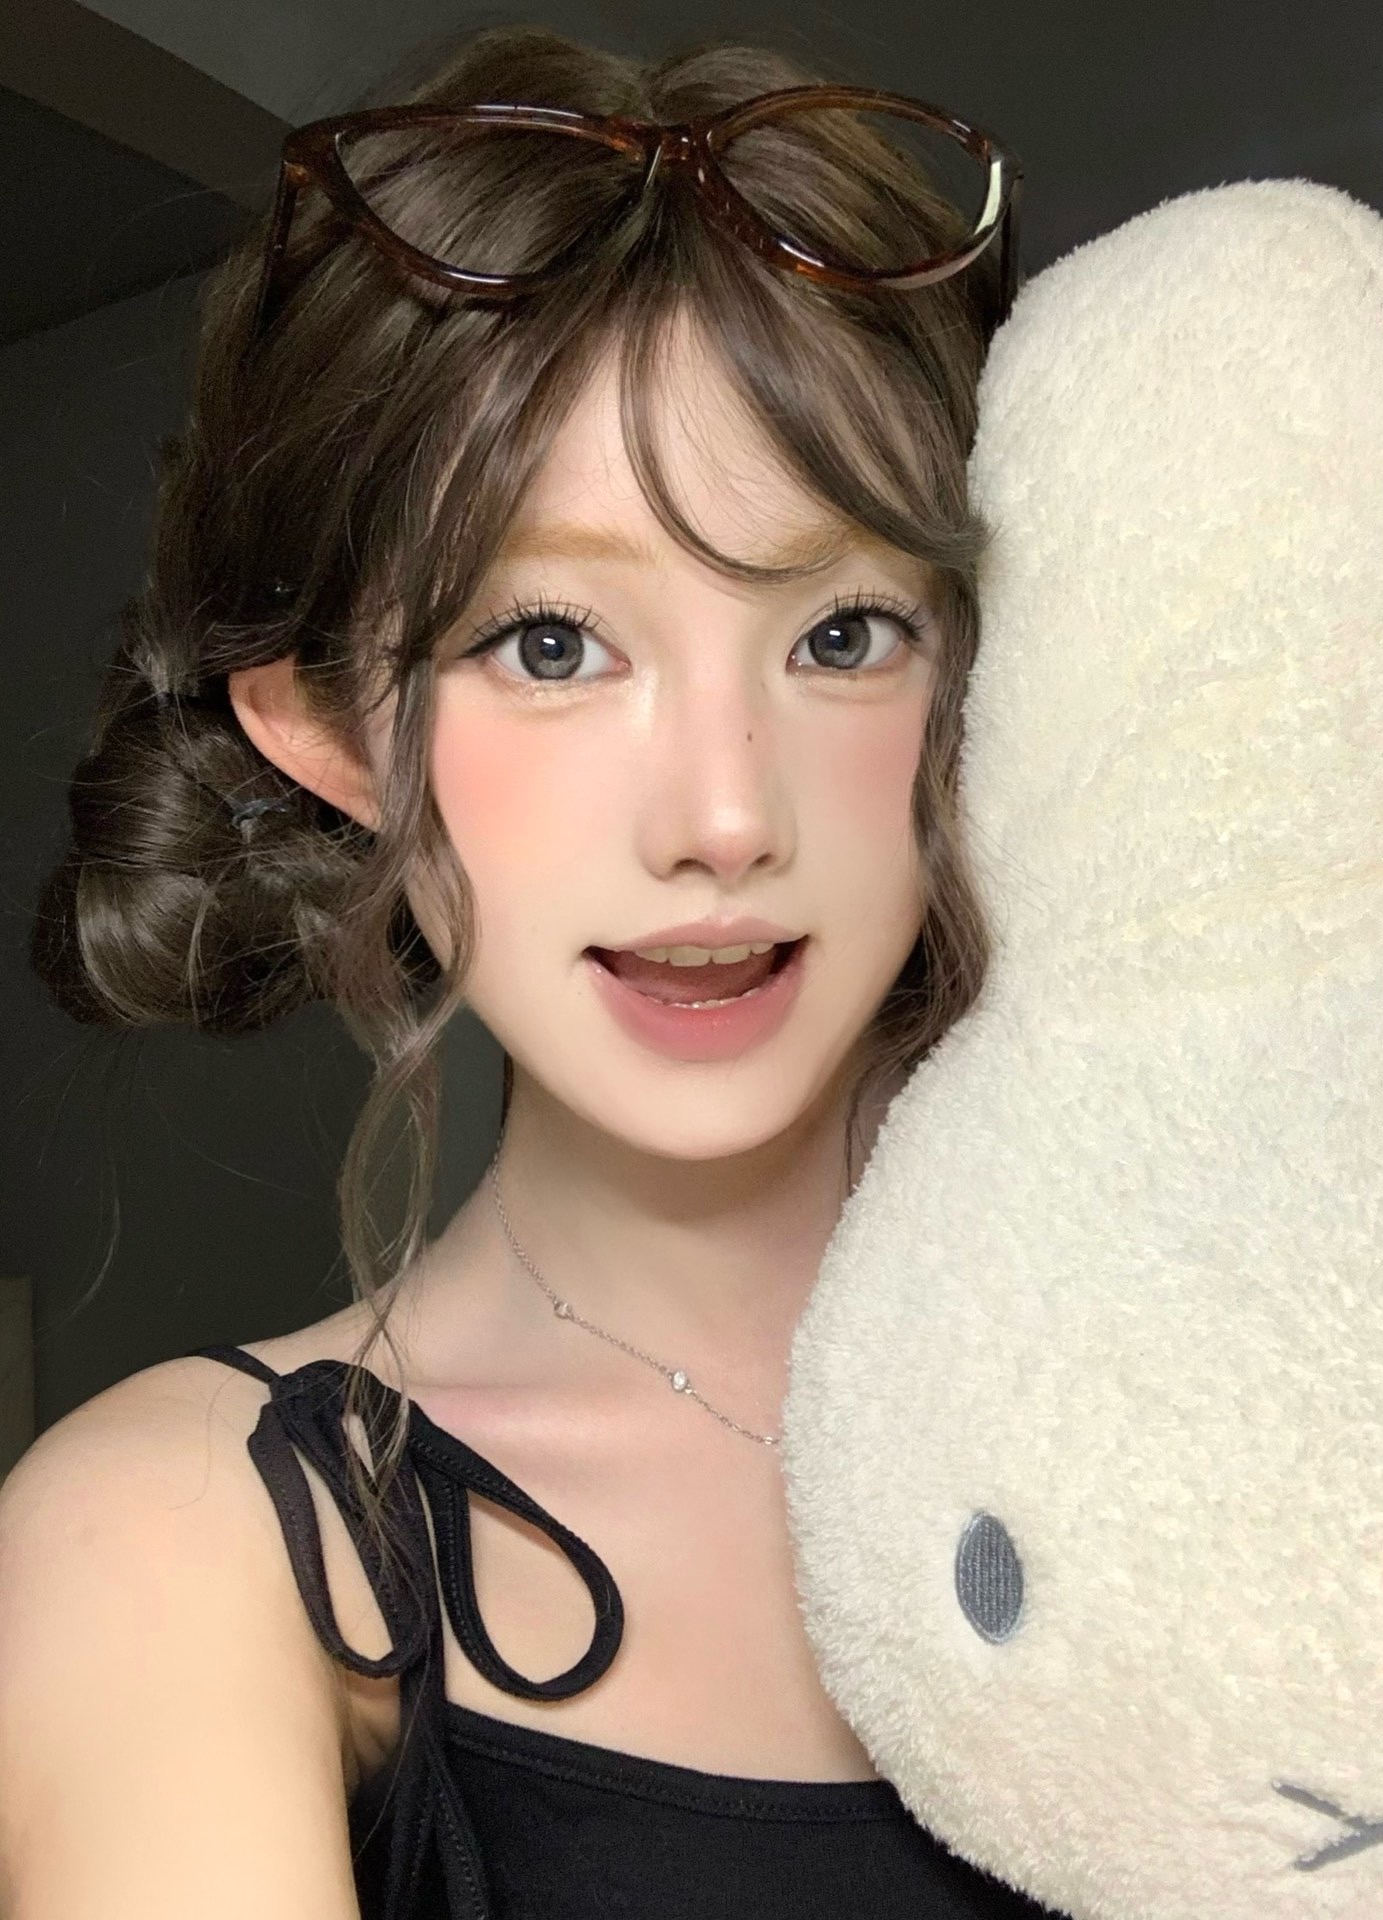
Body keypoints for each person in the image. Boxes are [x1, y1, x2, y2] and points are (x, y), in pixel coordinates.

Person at [0, 21, 1057, 1919]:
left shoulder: (1266, 1386)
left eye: (845, 632)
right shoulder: (175, 1544)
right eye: (552, 643)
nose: (722, 816)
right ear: (332, 726)